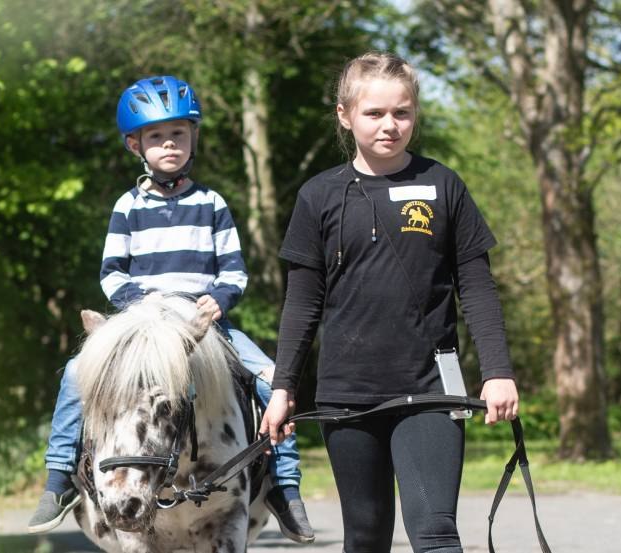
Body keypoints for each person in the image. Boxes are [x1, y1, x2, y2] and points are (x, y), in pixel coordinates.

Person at [28, 76, 314, 543]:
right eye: (156, 137)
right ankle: (60, 476)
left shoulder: (212, 204)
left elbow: (234, 272)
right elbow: (112, 272)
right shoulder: (127, 206)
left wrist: (218, 301)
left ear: (193, 138)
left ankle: (285, 486)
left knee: (269, 378)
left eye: (178, 134)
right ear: (134, 145)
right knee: (75, 372)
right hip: (143, 325)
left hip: (202, 325)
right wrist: (139, 311)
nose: (169, 145)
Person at [259, 51, 520, 553]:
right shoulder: (318, 196)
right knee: (366, 536)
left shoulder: (444, 185)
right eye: (374, 113)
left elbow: (478, 287)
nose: (389, 125)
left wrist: (498, 370)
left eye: (401, 113)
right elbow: (302, 303)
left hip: (430, 391)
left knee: (436, 532)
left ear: (414, 114)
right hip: (347, 397)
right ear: (345, 115)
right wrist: (283, 386)